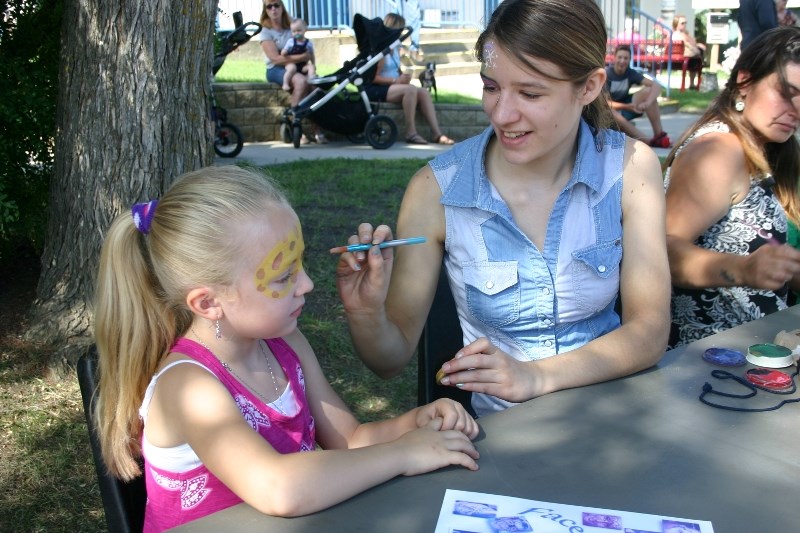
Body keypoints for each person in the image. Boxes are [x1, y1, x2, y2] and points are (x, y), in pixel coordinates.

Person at [93, 166, 480, 531]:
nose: (308, 284)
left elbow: (351, 440)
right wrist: (403, 454)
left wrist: (414, 425)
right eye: (283, 276)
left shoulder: (284, 344)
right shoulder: (188, 387)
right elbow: (279, 488)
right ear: (208, 302)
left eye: (301, 264)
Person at [335, 0, 671, 417]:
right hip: (503, 440)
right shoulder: (435, 189)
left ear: (589, 87)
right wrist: (366, 313)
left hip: (612, 419)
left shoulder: (630, 168)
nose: (502, 113)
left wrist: (537, 377)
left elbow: (650, 330)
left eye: (530, 93)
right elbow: (389, 360)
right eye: (491, 87)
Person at [663, 26, 800, 348]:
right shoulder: (719, 150)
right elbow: (661, 251)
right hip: (708, 364)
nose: (796, 110)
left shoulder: (765, 148)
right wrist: (743, 269)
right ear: (744, 82)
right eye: (785, 92)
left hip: (755, 352)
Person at [363, 13, 454, 145]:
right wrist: (396, 81)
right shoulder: (381, 51)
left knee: (423, 92)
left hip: (392, 87)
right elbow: (373, 78)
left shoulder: (395, 49)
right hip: (376, 88)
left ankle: (437, 134)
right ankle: (411, 133)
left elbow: (393, 70)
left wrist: (402, 76)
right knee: (410, 90)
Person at [257, 0, 326, 143]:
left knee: (314, 85)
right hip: (276, 69)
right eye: (269, 7)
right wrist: (302, 57)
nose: (273, 9)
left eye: (277, 5)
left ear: (282, 7)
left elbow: (306, 45)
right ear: (266, 11)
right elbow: (276, 59)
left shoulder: (293, 25)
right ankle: (297, 128)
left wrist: (309, 61)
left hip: (300, 66)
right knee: (300, 81)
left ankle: (318, 129)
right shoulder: (265, 31)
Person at [606, 44, 672, 147]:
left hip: (625, 108)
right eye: (620, 57)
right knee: (612, 112)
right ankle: (648, 142)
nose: (622, 61)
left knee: (648, 92)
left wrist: (647, 102)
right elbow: (605, 103)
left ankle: (659, 135)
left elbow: (656, 85)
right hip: (608, 113)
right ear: (614, 58)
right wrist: (628, 107)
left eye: (626, 58)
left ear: (629, 60)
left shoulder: (630, 73)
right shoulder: (607, 74)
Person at [280, 18, 316, 92]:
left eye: (299, 30)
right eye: (294, 31)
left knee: (311, 67)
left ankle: (311, 79)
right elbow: (285, 50)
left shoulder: (308, 43)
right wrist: (284, 52)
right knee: (292, 68)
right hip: (291, 63)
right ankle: (285, 83)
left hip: (303, 65)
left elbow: (312, 54)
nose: (296, 33)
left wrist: (313, 64)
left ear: (305, 30)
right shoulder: (291, 42)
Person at [672, 15, 706, 91]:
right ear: (676, 24)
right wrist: (697, 48)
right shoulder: (678, 35)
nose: (684, 25)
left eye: (685, 23)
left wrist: (697, 46)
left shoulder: (685, 34)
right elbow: (689, 45)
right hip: (682, 59)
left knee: (697, 57)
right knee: (697, 58)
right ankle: (693, 84)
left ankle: (693, 84)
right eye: (682, 23)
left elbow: (692, 44)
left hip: (684, 58)